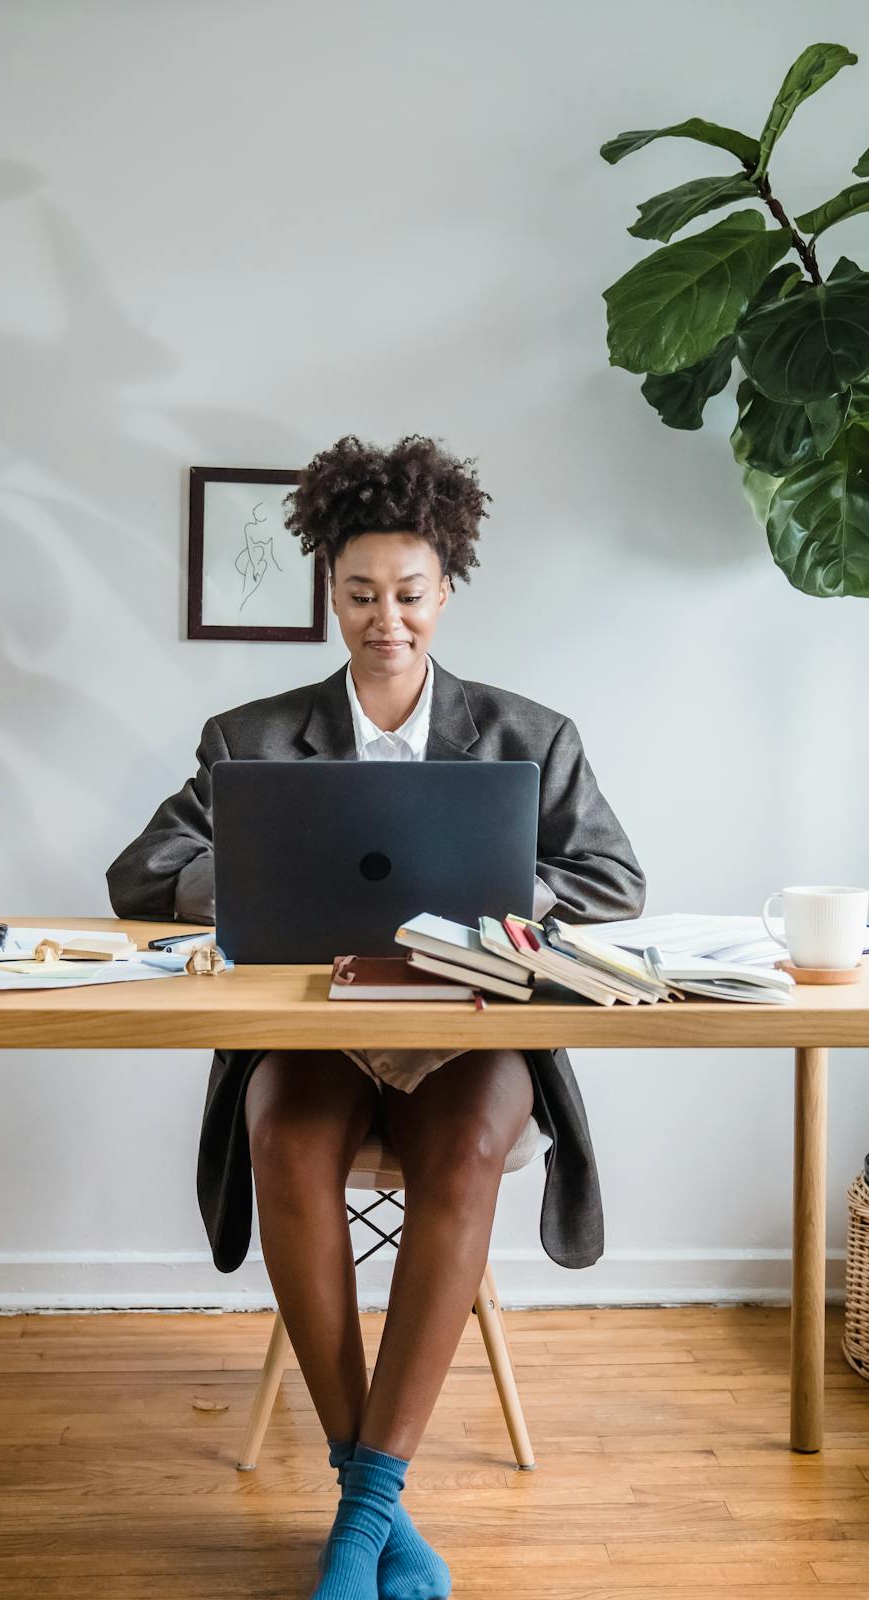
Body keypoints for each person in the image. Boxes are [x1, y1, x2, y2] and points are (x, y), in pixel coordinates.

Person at [106, 433, 645, 1600]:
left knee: (465, 1151)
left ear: (445, 589)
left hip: (471, 1029)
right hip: (315, 1029)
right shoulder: (252, 738)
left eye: (409, 593)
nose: (384, 618)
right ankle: (379, 1510)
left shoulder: (529, 734)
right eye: (360, 594)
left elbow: (614, 881)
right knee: (285, 1140)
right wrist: (245, 878)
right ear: (329, 594)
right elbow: (142, 871)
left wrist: (525, 889)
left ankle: (360, 1513)